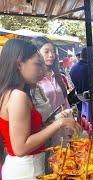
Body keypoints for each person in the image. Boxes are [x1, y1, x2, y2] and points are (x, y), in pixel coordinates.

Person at [0, 39, 81, 179]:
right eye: (37, 64)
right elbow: (20, 148)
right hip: (26, 170)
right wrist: (59, 123)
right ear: (19, 64)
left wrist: (53, 121)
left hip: (26, 167)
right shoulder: (18, 96)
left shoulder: (9, 93)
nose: (41, 70)